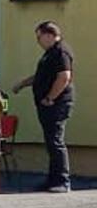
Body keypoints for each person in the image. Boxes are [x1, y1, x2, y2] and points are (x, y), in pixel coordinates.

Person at [11, 20, 75, 192]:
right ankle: (53, 180)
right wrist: (23, 84)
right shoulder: (50, 53)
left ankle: (62, 181)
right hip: (48, 103)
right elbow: (42, 76)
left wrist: (50, 98)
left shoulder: (60, 51)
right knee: (51, 142)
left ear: (49, 35)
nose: (38, 41)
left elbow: (64, 77)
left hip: (56, 104)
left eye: (39, 37)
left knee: (55, 142)